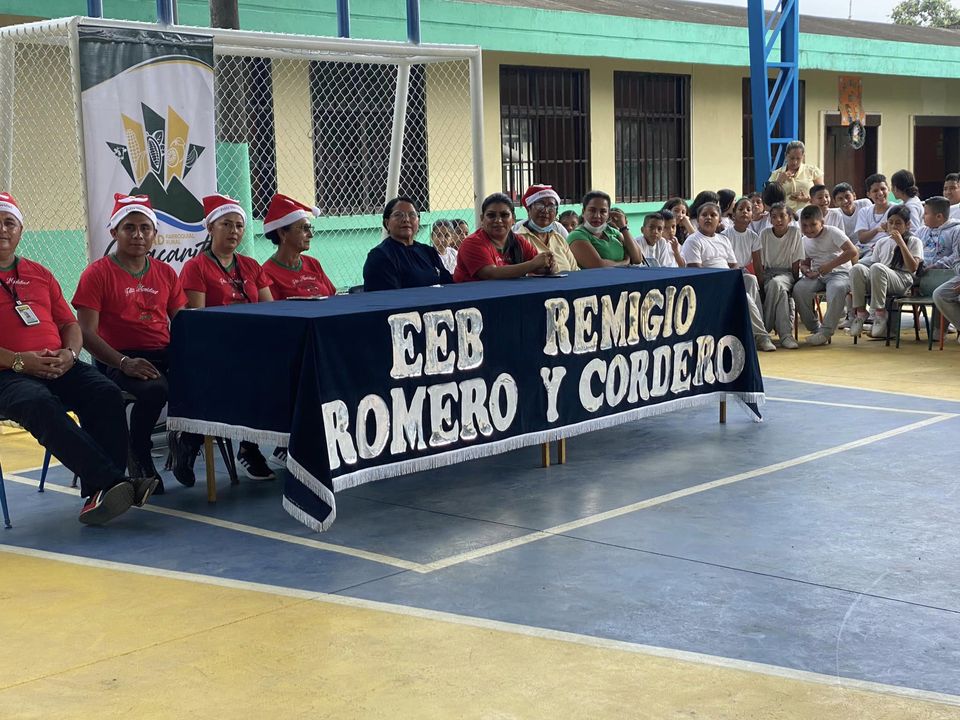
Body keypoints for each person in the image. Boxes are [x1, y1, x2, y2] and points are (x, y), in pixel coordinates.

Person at [0, 192, 157, 525]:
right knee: (38, 402)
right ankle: (112, 482)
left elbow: (69, 324)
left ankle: (100, 494)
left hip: (57, 364)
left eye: (9, 222)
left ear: (20, 230)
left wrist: (70, 354)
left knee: (105, 392)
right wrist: (19, 361)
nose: (2, 229)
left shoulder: (39, 273)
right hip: (7, 374)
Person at [72, 194, 188, 494]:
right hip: (116, 358)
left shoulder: (165, 272)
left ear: (154, 233)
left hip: (162, 352)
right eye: (130, 228)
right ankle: (138, 452)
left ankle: (186, 442)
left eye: (145, 228)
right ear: (115, 232)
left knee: (210, 378)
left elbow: (183, 322)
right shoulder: (97, 274)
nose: (138, 235)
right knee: (156, 389)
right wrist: (123, 363)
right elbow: (86, 333)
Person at [176, 193, 275, 483]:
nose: (234, 231)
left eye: (239, 226)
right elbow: (198, 318)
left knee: (279, 368)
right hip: (214, 345)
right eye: (226, 224)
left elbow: (271, 309)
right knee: (243, 373)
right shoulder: (196, 266)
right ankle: (195, 440)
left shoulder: (251, 265)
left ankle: (255, 445)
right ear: (210, 228)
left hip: (251, 344)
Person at [680, 202, 777, 352]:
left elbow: (734, 266)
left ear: (719, 220)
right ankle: (761, 336)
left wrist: (732, 282)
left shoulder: (723, 240)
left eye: (713, 215)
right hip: (709, 286)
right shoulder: (693, 241)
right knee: (745, 298)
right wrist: (725, 282)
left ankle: (750, 332)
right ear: (698, 219)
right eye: (704, 215)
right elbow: (696, 273)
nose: (708, 218)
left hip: (727, 281)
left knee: (750, 281)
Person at [848, 205, 923, 340]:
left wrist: (901, 244)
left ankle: (880, 314)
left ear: (907, 225)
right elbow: (872, 267)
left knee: (878, 267)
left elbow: (913, 268)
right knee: (856, 268)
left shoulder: (914, 241)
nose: (893, 226)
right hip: (880, 278)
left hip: (902, 279)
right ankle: (860, 313)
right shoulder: (882, 242)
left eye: (898, 223)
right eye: (891, 222)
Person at [794, 205, 859, 346]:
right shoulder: (804, 240)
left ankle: (825, 332)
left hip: (839, 273)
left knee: (836, 288)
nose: (809, 229)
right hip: (817, 275)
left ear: (822, 223)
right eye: (804, 226)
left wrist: (830, 266)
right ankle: (814, 328)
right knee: (799, 289)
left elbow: (852, 251)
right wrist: (806, 270)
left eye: (813, 225)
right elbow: (805, 263)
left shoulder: (833, 232)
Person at [454, 193, 555, 282]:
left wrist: (548, 266)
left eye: (504, 215)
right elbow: (490, 274)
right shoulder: (472, 243)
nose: (498, 220)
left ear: (513, 219)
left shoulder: (519, 241)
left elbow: (539, 266)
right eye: (491, 215)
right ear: (482, 219)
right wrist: (532, 265)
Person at [362, 196, 453, 291]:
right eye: (398, 215)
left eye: (412, 215)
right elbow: (389, 297)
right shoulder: (379, 256)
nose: (406, 219)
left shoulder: (428, 252)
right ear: (387, 223)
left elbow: (448, 285)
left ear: (418, 222)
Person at [261, 195, 335, 299]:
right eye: (304, 229)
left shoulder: (313, 264)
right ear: (283, 233)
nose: (311, 235)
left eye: (310, 229)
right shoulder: (267, 273)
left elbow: (333, 297)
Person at [758, 203, 804, 349]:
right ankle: (786, 336)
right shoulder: (765, 234)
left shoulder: (795, 232)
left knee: (777, 284)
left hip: (787, 274)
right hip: (769, 273)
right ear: (770, 219)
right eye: (774, 217)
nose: (778, 220)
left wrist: (795, 282)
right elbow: (761, 263)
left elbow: (796, 261)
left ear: (789, 218)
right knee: (782, 293)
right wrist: (761, 283)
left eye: (782, 216)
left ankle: (765, 328)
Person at [566, 191, 644, 268]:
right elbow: (598, 265)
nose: (597, 216)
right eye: (592, 210)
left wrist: (623, 227)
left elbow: (637, 259)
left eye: (603, 211)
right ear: (583, 212)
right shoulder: (576, 235)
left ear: (608, 214)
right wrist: (626, 262)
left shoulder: (612, 232)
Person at [514, 185, 579, 273]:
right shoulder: (518, 240)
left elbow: (575, 271)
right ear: (529, 209)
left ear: (556, 213)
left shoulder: (559, 239)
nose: (545, 211)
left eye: (551, 207)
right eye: (540, 205)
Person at [768, 140, 824, 212]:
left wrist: (807, 199)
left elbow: (822, 195)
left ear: (803, 157)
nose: (795, 162)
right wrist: (779, 181)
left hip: (808, 213)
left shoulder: (812, 171)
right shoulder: (776, 174)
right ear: (786, 155)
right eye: (792, 158)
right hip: (784, 214)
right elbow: (768, 198)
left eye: (798, 158)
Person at [853, 173, 892, 262]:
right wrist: (877, 230)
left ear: (888, 189)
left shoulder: (896, 210)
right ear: (868, 194)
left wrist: (888, 229)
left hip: (881, 250)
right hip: (862, 249)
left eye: (883, 189)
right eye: (875, 191)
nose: (880, 193)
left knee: (858, 265)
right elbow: (862, 239)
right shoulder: (864, 211)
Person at [722, 197, 762, 273]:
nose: (744, 211)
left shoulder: (754, 237)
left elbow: (757, 263)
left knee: (751, 278)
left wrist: (760, 280)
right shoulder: (724, 235)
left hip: (744, 271)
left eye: (748, 210)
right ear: (734, 214)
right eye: (740, 209)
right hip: (727, 270)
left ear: (752, 216)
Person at [889, 169, 923, 234]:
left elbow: (914, 230)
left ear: (895, 188)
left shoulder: (911, 206)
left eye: (892, 186)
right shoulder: (909, 201)